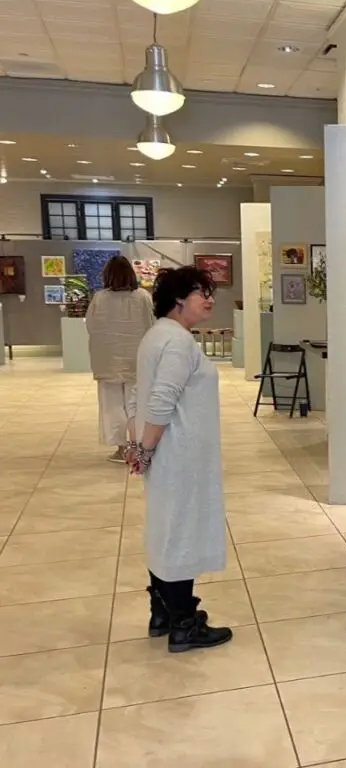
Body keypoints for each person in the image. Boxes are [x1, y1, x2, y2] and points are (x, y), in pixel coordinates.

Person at [125, 266, 232, 653]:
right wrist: (145, 448)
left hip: (169, 452)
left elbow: (141, 395)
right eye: (201, 292)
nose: (209, 299)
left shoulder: (158, 336)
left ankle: (163, 613)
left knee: (165, 529)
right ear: (178, 298)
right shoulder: (178, 342)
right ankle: (184, 622)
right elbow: (160, 400)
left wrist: (140, 445)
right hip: (180, 453)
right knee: (180, 533)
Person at [85, 255, 154, 463]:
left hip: (107, 358)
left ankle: (121, 447)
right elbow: (152, 323)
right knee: (135, 403)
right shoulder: (142, 296)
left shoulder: (100, 298)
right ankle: (139, 445)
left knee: (111, 404)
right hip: (137, 357)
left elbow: (91, 325)